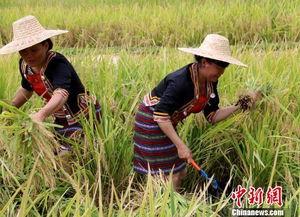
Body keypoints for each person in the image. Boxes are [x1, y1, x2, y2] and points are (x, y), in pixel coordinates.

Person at [133, 34, 256, 191]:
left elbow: (212, 116)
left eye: (224, 68)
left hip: (167, 122)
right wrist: (181, 146)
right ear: (204, 62)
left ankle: (169, 204)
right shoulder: (180, 81)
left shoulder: (210, 82)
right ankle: (166, 207)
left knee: (180, 171)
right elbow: (160, 115)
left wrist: (240, 106)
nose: (222, 73)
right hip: (151, 121)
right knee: (172, 174)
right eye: (219, 68)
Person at [0, 15, 101, 154]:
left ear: (45, 45)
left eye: (34, 50)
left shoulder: (57, 63)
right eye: (23, 51)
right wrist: (8, 111)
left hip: (81, 115)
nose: (28, 55)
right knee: (54, 151)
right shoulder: (24, 65)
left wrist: (41, 114)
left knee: (67, 153)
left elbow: (61, 93)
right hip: (59, 115)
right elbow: (26, 88)